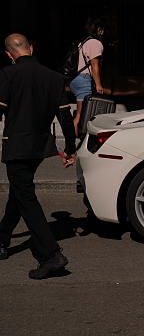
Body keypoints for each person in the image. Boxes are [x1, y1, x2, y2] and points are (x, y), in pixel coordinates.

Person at [0, 34, 77, 279]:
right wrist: (71, 148)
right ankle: (2, 239)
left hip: (16, 146)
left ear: (9, 54)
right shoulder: (54, 78)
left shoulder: (7, 75)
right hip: (39, 147)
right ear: (30, 48)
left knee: (26, 197)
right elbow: (66, 116)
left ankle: (51, 254)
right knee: (19, 191)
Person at [69, 17, 105, 135]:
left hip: (76, 79)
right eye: (102, 29)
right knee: (80, 116)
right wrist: (99, 85)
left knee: (83, 113)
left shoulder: (83, 42)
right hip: (84, 80)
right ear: (98, 29)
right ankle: (72, 147)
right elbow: (95, 65)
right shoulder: (95, 43)